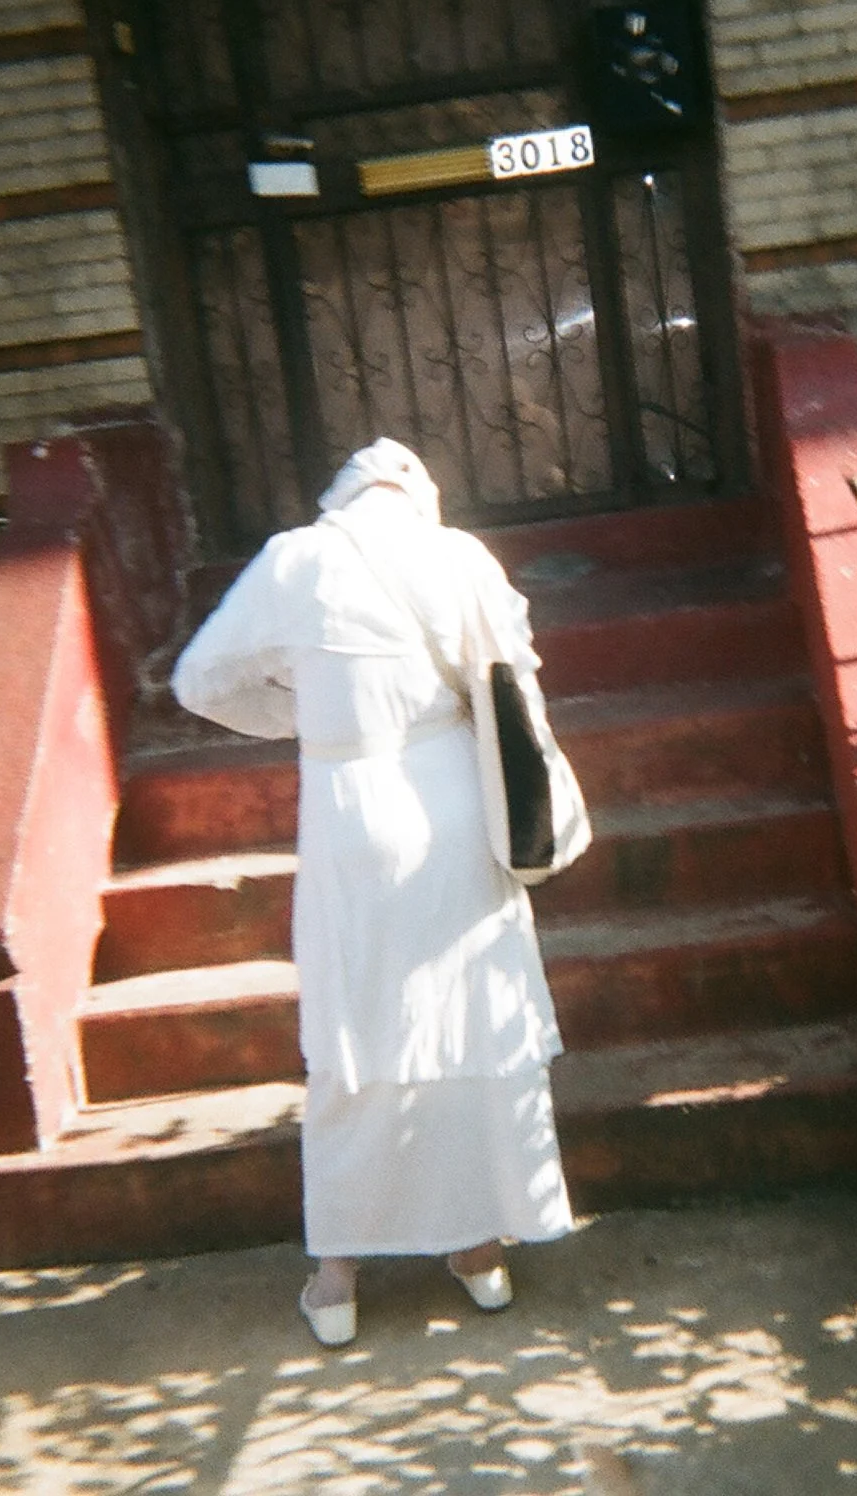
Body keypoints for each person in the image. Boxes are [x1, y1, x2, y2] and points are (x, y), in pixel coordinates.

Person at [170, 439, 574, 1347]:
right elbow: (517, 683)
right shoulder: (462, 557)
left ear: (341, 495)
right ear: (417, 496)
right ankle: (478, 1253)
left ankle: (339, 1278)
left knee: (357, 1038)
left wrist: (302, 714)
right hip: (460, 812)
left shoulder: (295, 560)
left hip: (353, 816)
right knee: (472, 1019)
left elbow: (199, 682)